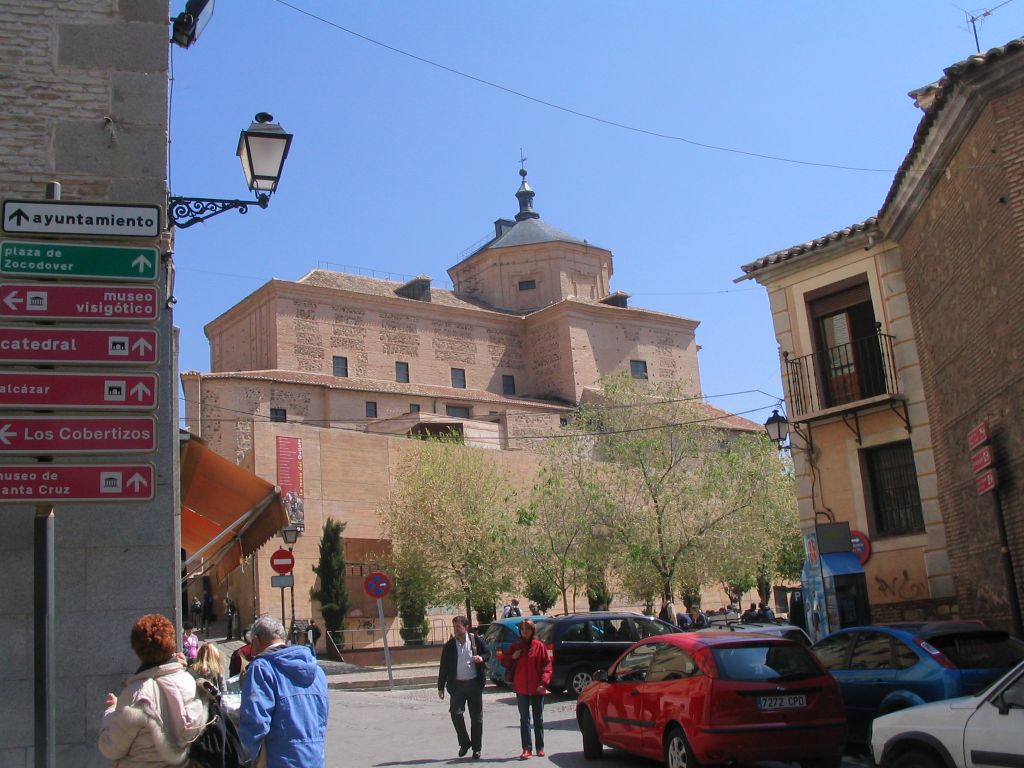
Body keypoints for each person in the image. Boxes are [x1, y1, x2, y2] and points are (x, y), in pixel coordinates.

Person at [98, 614, 207, 766]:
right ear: (172, 643)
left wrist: (111, 710)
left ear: (137, 649)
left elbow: (110, 748)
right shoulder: (189, 681)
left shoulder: (135, 695)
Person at [239, 615, 329, 767]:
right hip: (315, 759)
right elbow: (322, 718)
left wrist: (243, 758)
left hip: (280, 760)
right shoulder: (317, 671)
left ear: (256, 640)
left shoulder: (262, 668)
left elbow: (255, 721)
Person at [437, 615, 490, 759]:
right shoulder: (449, 645)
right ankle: (465, 742)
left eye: (458, 627)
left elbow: (487, 653)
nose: (455, 629)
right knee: (455, 713)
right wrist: (440, 687)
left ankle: (477, 748)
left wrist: (481, 658)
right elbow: (444, 666)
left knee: (476, 718)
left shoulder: (475, 640)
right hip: (457, 686)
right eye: (454, 627)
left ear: (466, 627)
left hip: (474, 684)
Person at [498, 619, 552, 760]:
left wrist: (543, 682)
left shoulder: (539, 646)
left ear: (532, 630)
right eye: (522, 629)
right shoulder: (516, 646)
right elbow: (504, 661)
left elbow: (547, 666)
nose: (525, 631)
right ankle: (526, 748)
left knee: (538, 718)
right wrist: (512, 657)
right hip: (521, 687)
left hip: (537, 687)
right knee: (524, 719)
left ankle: (540, 747)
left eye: (527, 629)